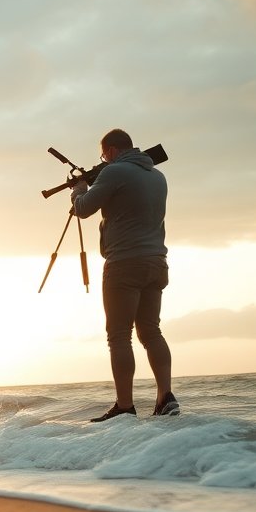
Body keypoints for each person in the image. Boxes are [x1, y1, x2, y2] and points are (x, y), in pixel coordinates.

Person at [72, 128, 178, 422]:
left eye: (104, 154)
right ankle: (165, 397)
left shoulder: (114, 172)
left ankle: (124, 406)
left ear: (112, 150)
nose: (103, 159)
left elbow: (83, 209)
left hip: (124, 264)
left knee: (119, 337)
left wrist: (79, 188)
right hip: (156, 262)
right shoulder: (157, 175)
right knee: (151, 331)